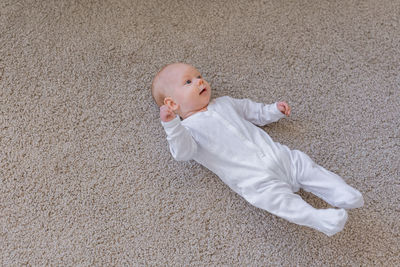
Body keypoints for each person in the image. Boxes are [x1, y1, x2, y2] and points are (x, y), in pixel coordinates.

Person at [151, 62, 364, 236]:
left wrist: (274, 110)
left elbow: (253, 111)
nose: (199, 81)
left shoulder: (224, 103)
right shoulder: (186, 130)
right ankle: (319, 219)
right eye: (188, 81)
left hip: (279, 156)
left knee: (307, 167)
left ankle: (340, 192)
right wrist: (171, 125)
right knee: (283, 203)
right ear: (172, 104)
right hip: (254, 180)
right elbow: (182, 153)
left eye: (198, 75)